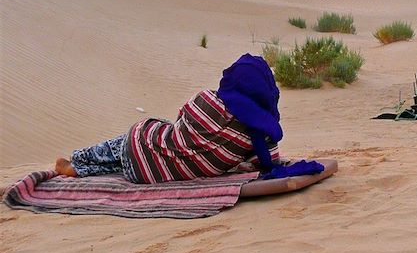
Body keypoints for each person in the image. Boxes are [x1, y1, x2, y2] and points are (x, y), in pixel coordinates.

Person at [54, 54, 323, 183]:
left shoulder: (208, 100)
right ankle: (82, 167)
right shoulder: (263, 135)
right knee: (148, 157)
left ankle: (79, 161)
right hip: (151, 176)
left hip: (144, 150)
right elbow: (266, 163)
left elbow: (182, 118)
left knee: (141, 137)